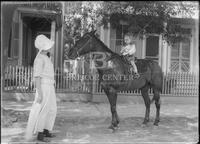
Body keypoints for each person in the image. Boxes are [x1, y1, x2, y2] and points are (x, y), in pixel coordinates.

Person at [25, 34, 57, 142]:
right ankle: (40, 133)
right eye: (49, 46)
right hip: (43, 87)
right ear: (44, 47)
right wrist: (40, 93)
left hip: (50, 86)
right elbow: (37, 77)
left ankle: (47, 129)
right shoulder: (39, 59)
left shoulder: (46, 58)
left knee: (52, 109)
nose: (51, 47)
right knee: (43, 110)